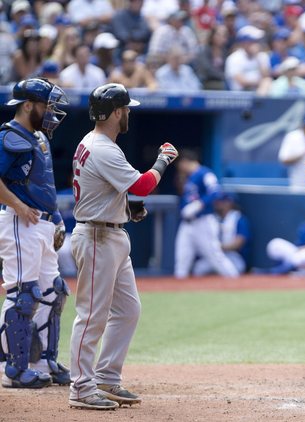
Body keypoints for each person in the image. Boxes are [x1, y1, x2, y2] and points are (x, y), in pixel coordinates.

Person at [68, 83, 179, 410]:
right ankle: (82, 387)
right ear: (116, 112)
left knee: (128, 310)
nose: (129, 112)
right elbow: (144, 184)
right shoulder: (102, 147)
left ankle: (106, 376)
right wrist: (163, 160)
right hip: (97, 237)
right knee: (90, 317)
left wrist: (126, 207)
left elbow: (104, 190)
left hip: (111, 231)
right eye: (126, 108)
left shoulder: (96, 143)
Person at [0, 78, 70, 389]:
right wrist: (18, 206)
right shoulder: (10, 136)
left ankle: (44, 361)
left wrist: (56, 219)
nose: (51, 112)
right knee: (23, 295)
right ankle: (14, 371)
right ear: (28, 105)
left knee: (53, 291)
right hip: (20, 221)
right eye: (47, 105)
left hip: (41, 223)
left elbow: (45, 185)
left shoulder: (38, 136)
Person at [174, 149, 240, 279]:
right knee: (182, 259)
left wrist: (199, 204)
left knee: (215, 256)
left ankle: (235, 281)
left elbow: (216, 191)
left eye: (181, 164)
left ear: (185, 162)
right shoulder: (189, 177)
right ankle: (178, 289)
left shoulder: (205, 173)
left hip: (203, 221)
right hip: (187, 224)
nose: (180, 168)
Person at [193, 192, 250, 275]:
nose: (218, 203)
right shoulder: (211, 218)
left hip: (232, 256)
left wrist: (217, 247)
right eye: (217, 201)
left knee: (236, 269)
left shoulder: (238, 218)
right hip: (214, 255)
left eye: (222, 201)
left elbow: (239, 242)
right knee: (199, 269)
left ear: (230, 202)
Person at [278, 109, 305, 188]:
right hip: (297, 185)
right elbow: (284, 159)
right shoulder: (293, 137)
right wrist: (304, 152)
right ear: (303, 125)